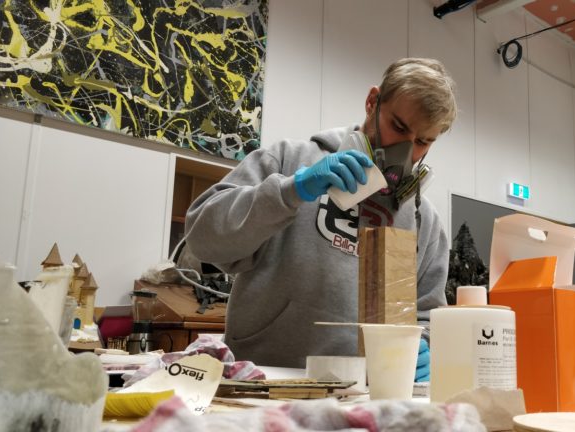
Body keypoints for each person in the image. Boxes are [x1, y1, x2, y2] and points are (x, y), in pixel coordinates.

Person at [184, 58, 457, 382]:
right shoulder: (287, 160)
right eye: (399, 127)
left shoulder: (423, 218)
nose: (407, 151)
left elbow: (426, 315)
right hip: (263, 386)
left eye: (424, 141)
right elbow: (202, 239)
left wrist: (422, 346)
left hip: (368, 398)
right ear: (373, 103)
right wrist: (291, 190)